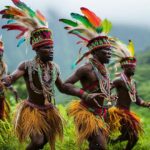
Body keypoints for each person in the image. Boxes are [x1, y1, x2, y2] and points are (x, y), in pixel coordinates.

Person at [60, 7, 114, 150]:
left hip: (102, 112)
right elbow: (66, 85)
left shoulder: (104, 69)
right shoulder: (86, 68)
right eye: (106, 51)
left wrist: (109, 91)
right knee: (100, 146)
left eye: (110, 50)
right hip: (87, 113)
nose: (109, 53)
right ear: (95, 51)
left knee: (97, 146)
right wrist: (85, 95)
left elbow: (100, 87)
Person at [108, 39, 150, 150]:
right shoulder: (118, 80)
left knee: (130, 136)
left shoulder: (133, 82)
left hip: (127, 113)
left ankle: (111, 142)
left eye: (133, 67)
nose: (133, 68)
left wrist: (146, 104)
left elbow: (136, 99)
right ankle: (110, 142)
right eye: (130, 67)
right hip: (118, 113)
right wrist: (108, 99)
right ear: (124, 67)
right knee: (134, 137)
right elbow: (106, 89)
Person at [0, 36, 18, 120]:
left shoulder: (4, 66)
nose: (0, 55)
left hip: (1, 95)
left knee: (1, 115)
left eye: (1, 54)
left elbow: (4, 79)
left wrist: (12, 89)